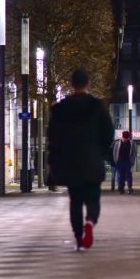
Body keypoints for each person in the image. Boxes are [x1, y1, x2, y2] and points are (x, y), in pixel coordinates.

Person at [47, 68, 114, 251]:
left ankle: (78, 238)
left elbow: (53, 137)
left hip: (71, 162)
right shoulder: (98, 107)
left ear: (71, 84)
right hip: (92, 160)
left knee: (75, 200)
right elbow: (108, 133)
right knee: (93, 198)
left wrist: (55, 160)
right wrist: (100, 150)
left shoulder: (60, 109)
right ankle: (90, 223)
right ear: (88, 83)